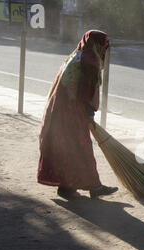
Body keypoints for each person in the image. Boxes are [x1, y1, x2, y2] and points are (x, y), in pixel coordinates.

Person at [37, 30, 118, 200]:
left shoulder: (77, 55)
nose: (104, 50)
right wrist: (89, 113)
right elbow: (85, 90)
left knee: (65, 145)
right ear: (97, 45)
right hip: (72, 109)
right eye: (103, 46)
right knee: (81, 146)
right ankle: (94, 186)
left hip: (60, 108)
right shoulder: (90, 61)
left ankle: (66, 186)